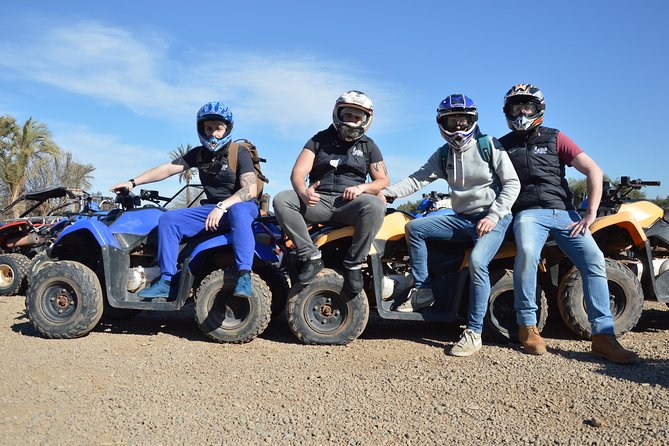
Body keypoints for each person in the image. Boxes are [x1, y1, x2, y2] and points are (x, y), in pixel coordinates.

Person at [499, 83, 638, 364]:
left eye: (527, 106)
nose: (522, 112)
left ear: (538, 109)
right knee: (526, 254)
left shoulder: (555, 138)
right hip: (527, 213)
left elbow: (593, 170)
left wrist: (590, 213)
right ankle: (528, 327)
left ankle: (603, 336)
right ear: (508, 111)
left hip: (564, 213)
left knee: (595, 260)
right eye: (516, 107)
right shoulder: (503, 145)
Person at [380, 94, 520, 357]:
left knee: (478, 262)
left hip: (495, 218)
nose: (458, 127)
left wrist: (493, 215)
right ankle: (421, 290)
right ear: (442, 122)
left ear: (473, 120)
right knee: (415, 228)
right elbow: (417, 179)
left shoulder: (489, 145)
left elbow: (512, 183)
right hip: (463, 219)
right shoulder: (444, 154)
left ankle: (474, 333)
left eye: (463, 121)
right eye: (452, 121)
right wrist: (387, 193)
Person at [111, 101, 260, 300]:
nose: (213, 134)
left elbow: (250, 189)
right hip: (214, 209)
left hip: (241, 207)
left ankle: (244, 276)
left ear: (227, 129)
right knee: (169, 220)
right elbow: (167, 169)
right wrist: (132, 182)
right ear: (201, 129)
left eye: (218, 128)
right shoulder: (199, 154)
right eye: (208, 128)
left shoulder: (238, 152)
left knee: (238, 210)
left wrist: (223, 206)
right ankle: (167, 281)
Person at [273, 90, 389, 295]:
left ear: (366, 119)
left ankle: (353, 265)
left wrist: (361, 188)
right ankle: (310, 257)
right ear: (338, 114)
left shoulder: (369, 145)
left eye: (357, 116)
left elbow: (382, 180)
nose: (352, 120)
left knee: (376, 204)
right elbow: (298, 173)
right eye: (348, 115)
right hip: (317, 201)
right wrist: (303, 192)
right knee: (282, 199)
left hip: (350, 203)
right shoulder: (318, 140)